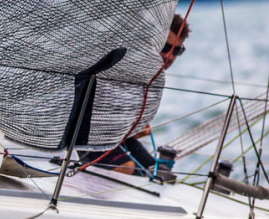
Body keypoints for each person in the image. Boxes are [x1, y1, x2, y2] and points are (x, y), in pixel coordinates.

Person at [82, 13, 191, 175]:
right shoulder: (124, 63)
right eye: (166, 48)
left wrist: (132, 130)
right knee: (126, 168)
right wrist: (128, 129)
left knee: (157, 172)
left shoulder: (151, 75)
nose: (170, 56)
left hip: (115, 137)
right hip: (85, 132)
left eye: (177, 50)